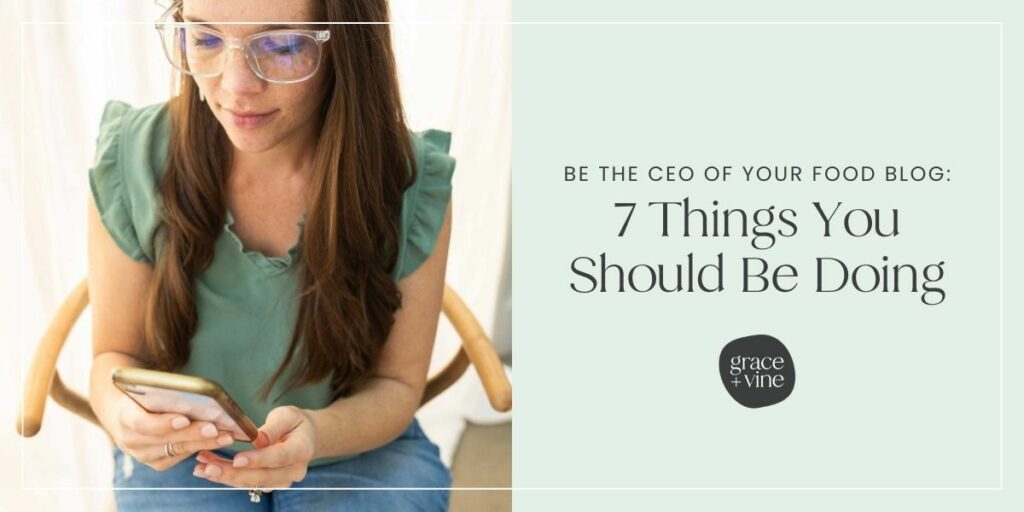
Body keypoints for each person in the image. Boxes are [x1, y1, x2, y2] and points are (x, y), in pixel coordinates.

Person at [86, 0, 455, 509]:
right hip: (186, 462)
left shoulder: (410, 180)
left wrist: (316, 433)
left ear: (348, 43)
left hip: (353, 449)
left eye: (281, 46)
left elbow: (395, 384)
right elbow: (112, 357)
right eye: (206, 39)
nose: (235, 86)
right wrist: (121, 414)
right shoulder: (134, 155)